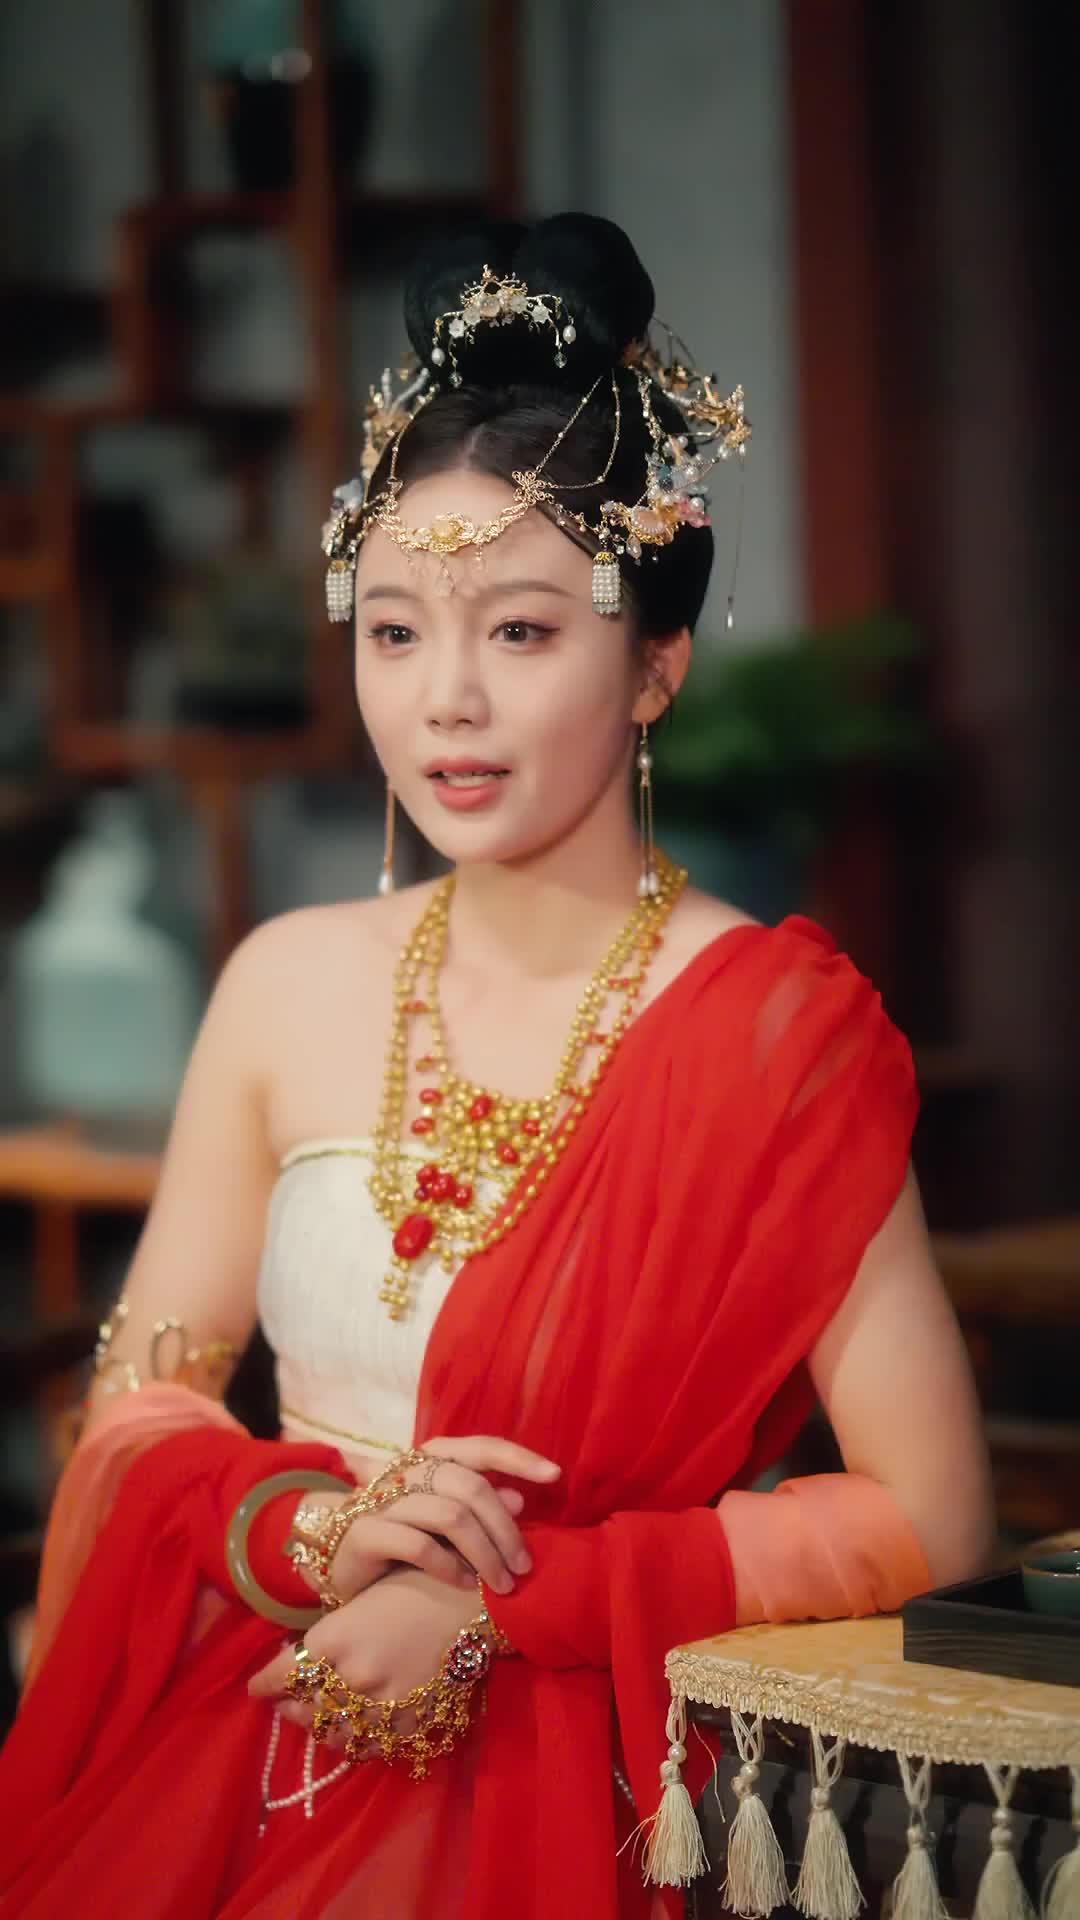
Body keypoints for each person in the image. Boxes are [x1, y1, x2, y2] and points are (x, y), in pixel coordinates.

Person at [0, 214, 993, 1920]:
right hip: (263, 1713)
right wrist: (310, 1534)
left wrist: (500, 1602)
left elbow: (932, 1514)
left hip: (583, 1770)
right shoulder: (284, 983)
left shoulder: (773, 1036)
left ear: (656, 665)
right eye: (394, 632)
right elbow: (138, 1410)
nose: (445, 701)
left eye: (522, 633)